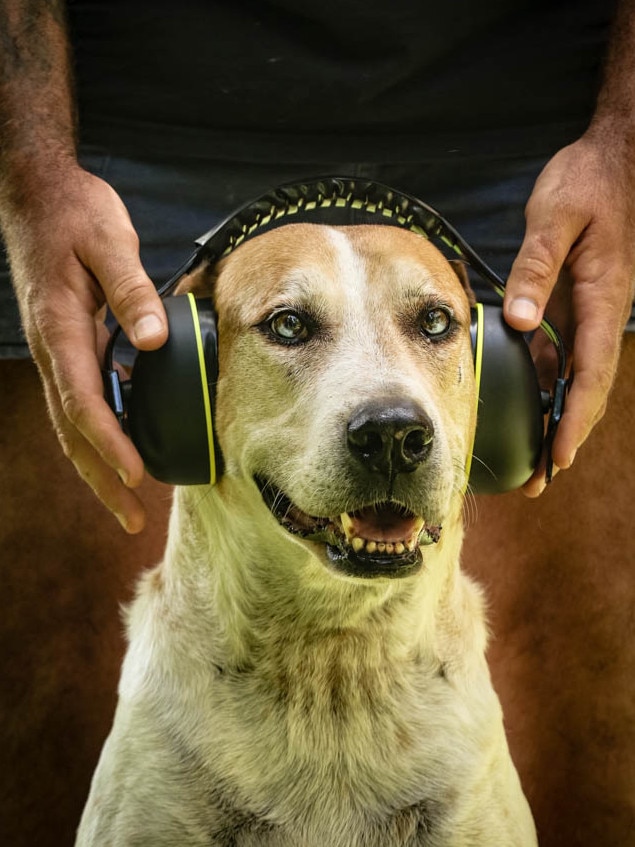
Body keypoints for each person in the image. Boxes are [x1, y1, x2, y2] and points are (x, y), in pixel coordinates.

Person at [1, 2, 634, 846]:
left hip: (520, 109)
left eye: (433, 325)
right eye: (290, 326)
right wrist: (29, 164)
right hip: (138, 111)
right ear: (186, 395)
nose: (389, 414)